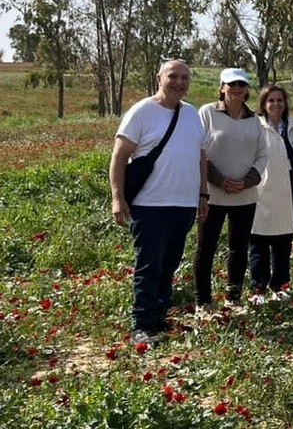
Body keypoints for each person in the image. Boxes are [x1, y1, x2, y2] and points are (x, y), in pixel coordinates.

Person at [109, 59, 208, 345]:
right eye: (173, 76)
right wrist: (118, 198)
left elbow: (201, 158)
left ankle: (159, 318)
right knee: (149, 265)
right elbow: (118, 157)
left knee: (169, 265)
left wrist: (202, 195)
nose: (179, 82)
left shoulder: (191, 114)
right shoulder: (141, 112)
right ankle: (141, 325)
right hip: (149, 205)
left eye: (184, 78)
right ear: (159, 79)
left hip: (183, 204)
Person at [195, 69, 269, 312]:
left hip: (245, 195)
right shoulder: (207, 113)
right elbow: (200, 151)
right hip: (213, 195)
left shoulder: (254, 119)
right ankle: (203, 301)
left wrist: (247, 181)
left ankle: (233, 297)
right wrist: (218, 180)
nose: (237, 88)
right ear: (222, 87)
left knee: (239, 248)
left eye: (242, 84)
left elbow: (262, 154)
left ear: (247, 89)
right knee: (207, 247)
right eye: (232, 84)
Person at [250, 85, 293, 301]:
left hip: (289, 191)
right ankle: (257, 288)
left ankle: (279, 285)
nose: (276, 104)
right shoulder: (254, 126)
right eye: (271, 100)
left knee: (283, 243)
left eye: (280, 100)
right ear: (263, 104)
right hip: (260, 193)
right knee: (258, 243)